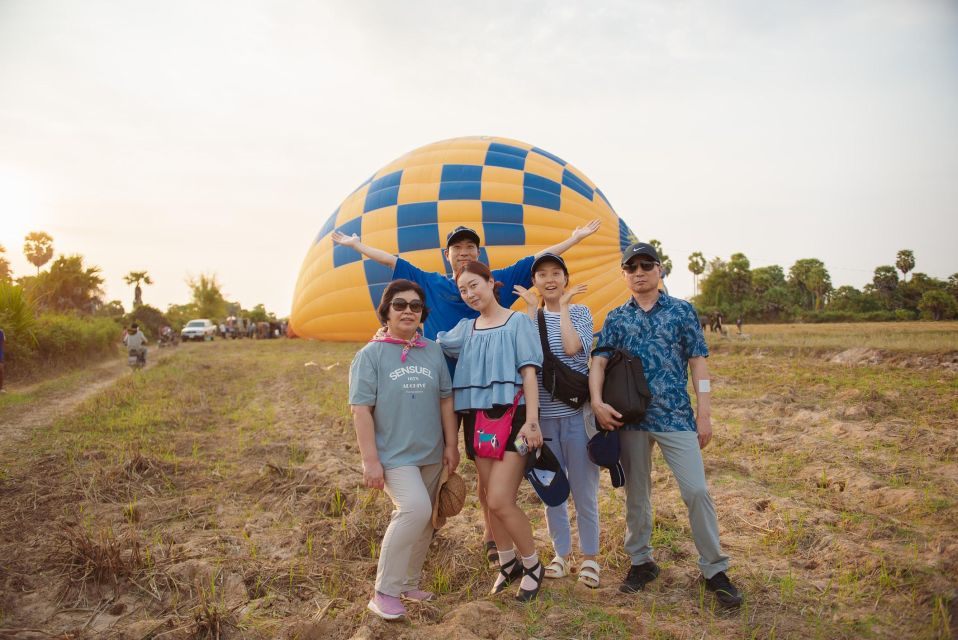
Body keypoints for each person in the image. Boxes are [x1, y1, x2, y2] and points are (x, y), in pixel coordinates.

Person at [334, 220, 600, 566]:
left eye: (470, 248)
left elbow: (539, 260)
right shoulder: (431, 283)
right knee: (450, 461)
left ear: (486, 273)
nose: (464, 253)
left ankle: (497, 538)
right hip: (448, 392)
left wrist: (574, 237)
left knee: (492, 475)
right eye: (457, 248)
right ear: (447, 255)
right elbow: (391, 261)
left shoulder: (497, 287)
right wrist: (357, 247)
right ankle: (426, 523)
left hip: (494, 399)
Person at [588, 242, 743, 608]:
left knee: (696, 492)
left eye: (646, 265)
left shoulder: (681, 312)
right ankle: (642, 562)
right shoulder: (616, 318)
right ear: (624, 274)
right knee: (637, 495)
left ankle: (715, 569)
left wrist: (704, 413)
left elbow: (698, 363)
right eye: (631, 267)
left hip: (675, 416)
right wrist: (596, 402)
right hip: (632, 420)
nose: (638, 272)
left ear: (659, 270)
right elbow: (599, 361)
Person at [348, 279, 459, 621]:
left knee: (428, 519)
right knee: (413, 509)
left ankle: (409, 583)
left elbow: (445, 399)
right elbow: (361, 410)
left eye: (415, 305)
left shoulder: (432, 350)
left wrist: (452, 444)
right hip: (394, 456)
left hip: (431, 452)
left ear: (423, 312)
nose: (408, 310)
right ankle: (384, 592)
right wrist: (370, 461)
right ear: (386, 311)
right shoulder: (370, 355)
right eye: (400, 305)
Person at [437, 261, 545, 601]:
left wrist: (533, 421)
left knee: (500, 498)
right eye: (463, 290)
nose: (470, 294)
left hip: (513, 417)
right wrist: (387, 334)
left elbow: (529, 374)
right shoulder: (464, 330)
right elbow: (427, 344)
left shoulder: (518, 323)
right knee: (487, 499)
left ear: (490, 282)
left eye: (474, 285)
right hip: (477, 422)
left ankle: (533, 564)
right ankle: (507, 563)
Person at [513, 253, 601, 588]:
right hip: (544, 421)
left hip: (576, 418)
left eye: (556, 273)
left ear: (565, 278)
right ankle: (561, 555)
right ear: (535, 281)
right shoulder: (529, 317)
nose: (549, 280)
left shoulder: (580, 312)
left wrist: (563, 307)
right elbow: (530, 359)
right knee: (553, 491)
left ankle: (590, 558)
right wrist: (530, 312)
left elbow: (571, 346)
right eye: (542, 274)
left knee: (584, 491)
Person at [0, 326, 6, 393]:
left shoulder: (1, 332)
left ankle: (1, 388)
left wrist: (2, 353)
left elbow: (3, 343)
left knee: (1, 369)